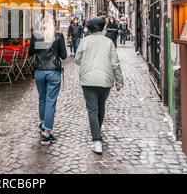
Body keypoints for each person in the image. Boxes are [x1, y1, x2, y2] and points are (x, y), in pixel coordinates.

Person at [74, 17, 124, 154]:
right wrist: (119, 82)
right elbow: (115, 63)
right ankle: (98, 128)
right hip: (105, 80)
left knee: (92, 109)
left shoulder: (84, 41)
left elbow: (77, 59)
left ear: (89, 29)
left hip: (88, 80)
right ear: (102, 28)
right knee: (101, 106)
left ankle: (96, 141)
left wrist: (86, 63)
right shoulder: (108, 42)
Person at [28, 14, 67, 146]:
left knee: (42, 99)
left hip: (39, 71)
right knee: (50, 101)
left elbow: (30, 53)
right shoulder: (58, 36)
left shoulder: (37, 36)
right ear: (54, 24)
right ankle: (47, 133)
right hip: (53, 72)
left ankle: (43, 123)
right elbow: (64, 55)